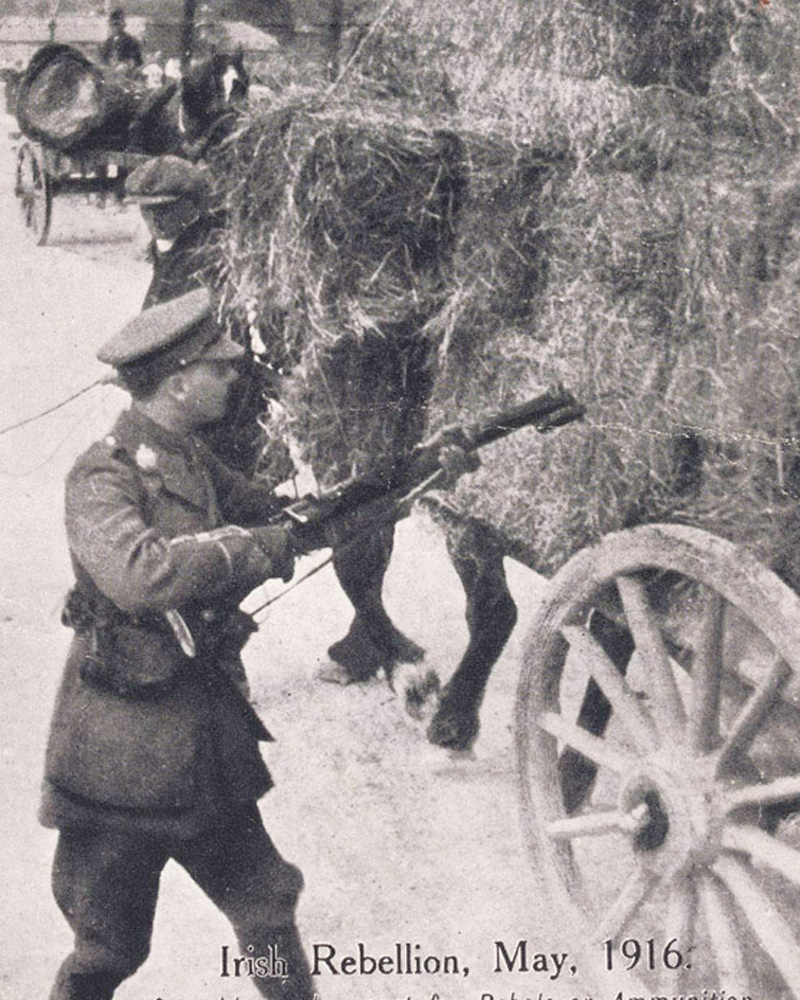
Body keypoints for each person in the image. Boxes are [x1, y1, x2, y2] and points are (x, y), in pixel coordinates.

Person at [40, 287, 316, 1000]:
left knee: (266, 903)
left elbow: (279, 518)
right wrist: (251, 547)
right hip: (122, 752)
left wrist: (382, 491)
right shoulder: (103, 475)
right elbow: (141, 576)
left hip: (200, 737)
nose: (233, 377)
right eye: (219, 369)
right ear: (176, 381)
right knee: (108, 948)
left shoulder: (189, 456)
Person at [99, 7, 143, 72]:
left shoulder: (131, 41)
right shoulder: (108, 42)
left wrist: (126, 65)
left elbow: (137, 61)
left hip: (126, 74)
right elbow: (103, 60)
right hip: (110, 74)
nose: (115, 28)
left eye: (117, 25)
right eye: (112, 25)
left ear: (123, 25)